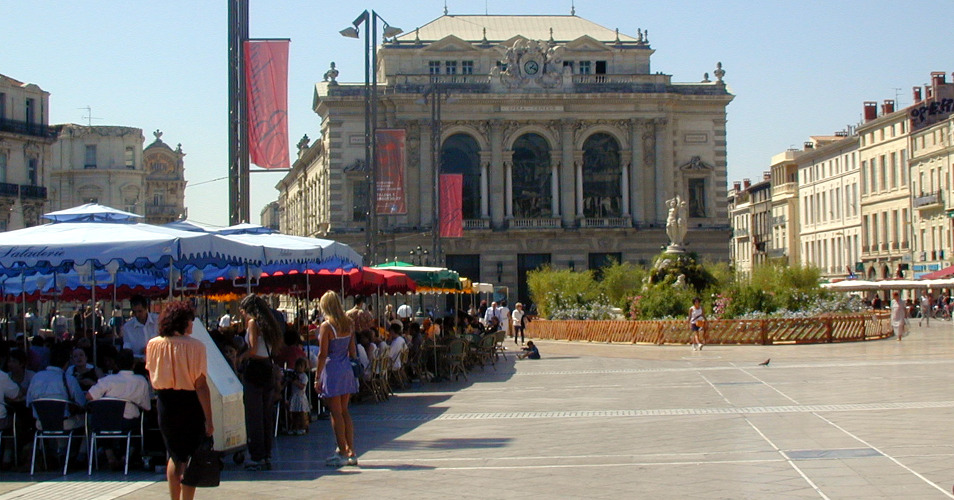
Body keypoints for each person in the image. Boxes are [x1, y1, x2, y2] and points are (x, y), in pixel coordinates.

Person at [145, 301, 213, 500]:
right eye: (190, 321)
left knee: (175, 454)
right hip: (190, 402)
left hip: (165, 402)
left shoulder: (153, 345)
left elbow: (152, 374)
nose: (192, 324)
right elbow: (201, 384)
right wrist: (209, 419)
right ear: (182, 322)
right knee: (192, 455)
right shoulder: (196, 346)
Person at [238, 294, 284, 471]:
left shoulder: (253, 323)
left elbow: (253, 349)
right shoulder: (269, 323)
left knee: (254, 415)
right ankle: (266, 454)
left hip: (255, 369)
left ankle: (256, 455)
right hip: (267, 369)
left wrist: (241, 357)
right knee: (266, 414)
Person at [313, 291, 358, 467]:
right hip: (346, 368)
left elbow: (322, 354)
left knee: (335, 412)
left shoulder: (326, 326)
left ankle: (342, 451)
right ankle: (351, 450)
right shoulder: (349, 324)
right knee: (345, 411)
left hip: (332, 371)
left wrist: (317, 377)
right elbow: (352, 350)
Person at [86, 349, 151, 469]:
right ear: (133, 364)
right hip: (128, 422)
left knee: (104, 424)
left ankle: (110, 456)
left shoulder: (108, 380)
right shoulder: (141, 381)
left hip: (106, 422)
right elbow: (147, 407)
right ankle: (126, 457)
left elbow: (89, 396)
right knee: (142, 425)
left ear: (116, 364)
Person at [26, 342, 87, 431]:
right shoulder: (68, 379)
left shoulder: (36, 377)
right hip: (64, 422)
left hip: (41, 423)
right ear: (67, 363)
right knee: (88, 419)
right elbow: (81, 403)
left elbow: (29, 402)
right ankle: (83, 445)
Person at [121, 295, 159, 360]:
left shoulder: (158, 320)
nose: (137, 315)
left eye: (140, 311)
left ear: (146, 308)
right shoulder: (127, 327)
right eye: (134, 312)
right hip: (138, 363)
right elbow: (127, 348)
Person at [288, 357, 310, 435]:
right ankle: (294, 427)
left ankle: (303, 427)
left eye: (301, 366)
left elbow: (302, 386)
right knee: (293, 414)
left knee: (301, 414)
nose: (299, 368)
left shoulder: (304, 376)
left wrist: (295, 382)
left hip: (300, 397)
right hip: (294, 396)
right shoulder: (294, 374)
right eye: (297, 366)